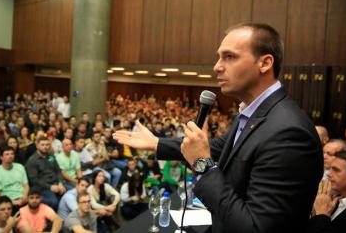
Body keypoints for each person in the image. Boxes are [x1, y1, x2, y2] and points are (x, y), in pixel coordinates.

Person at [114, 23, 323, 233]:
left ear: (265, 63)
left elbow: (256, 228)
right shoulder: (252, 114)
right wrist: (157, 143)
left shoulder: (288, 133)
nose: (217, 66)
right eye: (219, 57)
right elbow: (217, 147)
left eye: (229, 57)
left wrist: (202, 164)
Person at [307, 151, 346, 233]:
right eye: (330, 169)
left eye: (336, 170)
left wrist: (321, 214)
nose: (329, 174)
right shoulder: (333, 199)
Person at [25, 136, 65, 210]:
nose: (45, 147)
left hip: (56, 183)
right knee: (53, 201)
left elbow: (58, 170)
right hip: (43, 187)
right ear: (37, 146)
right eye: (42, 145)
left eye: (47, 145)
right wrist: (50, 187)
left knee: (72, 191)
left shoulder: (51, 157)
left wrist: (60, 183)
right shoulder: (32, 160)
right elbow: (34, 180)